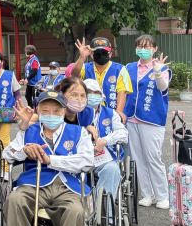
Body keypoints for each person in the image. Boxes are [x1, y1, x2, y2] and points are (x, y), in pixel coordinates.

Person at [1, 86, 94, 226]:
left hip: (68, 186)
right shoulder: (29, 131)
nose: (51, 115)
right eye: (46, 111)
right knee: (15, 199)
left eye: (56, 111)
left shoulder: (78, 133)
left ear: (63, 112)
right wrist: (23, 150)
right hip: (35, 183)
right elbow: (7, 155)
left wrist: (51, 160)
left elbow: (87, 161)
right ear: (38, 111)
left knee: (77, 211)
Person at [123, 34, 172, 209]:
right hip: (131, 119)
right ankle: (147, 194)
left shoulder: (162, 68)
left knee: (153, 158)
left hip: (152, 120)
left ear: (154, 49)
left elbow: (162, 87)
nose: (143, 49)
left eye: (147, 46)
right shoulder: (128, 67)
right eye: (140, 46)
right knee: (137, 158)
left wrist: (157, 70)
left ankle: (162, 195)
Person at [84, 78, 128, 204]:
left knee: (112, 169)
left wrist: (105, 140)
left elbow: (123, 134)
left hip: (104, 158)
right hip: (81, 158)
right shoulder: (75, 114)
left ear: (101, 96)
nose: (92, 96)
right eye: (88, 92)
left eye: (95, 93)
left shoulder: (110, 113)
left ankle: (105, 214)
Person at [74, 36, 132, 120]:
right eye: (97, 53)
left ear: (111, 54)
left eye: (104, 52)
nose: (101, 55)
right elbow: (74, 76)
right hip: (87, 113)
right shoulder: (85, 67)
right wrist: (82, 57)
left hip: (110, 113)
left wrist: (117, 115)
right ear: (91, 54)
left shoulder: (120, 69)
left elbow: (122, 93)